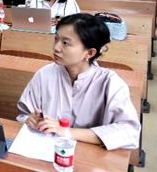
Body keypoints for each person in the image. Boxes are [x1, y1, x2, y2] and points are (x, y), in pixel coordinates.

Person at [17, 13, 140, 150]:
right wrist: (31, 119)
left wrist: (66, 132)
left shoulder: (110, 82)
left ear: (90, 53)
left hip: (91, 155)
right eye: (56, 39)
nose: (56, 47)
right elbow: (24, 114)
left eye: (66, 43)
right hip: (44, 150)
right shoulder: (45, 74)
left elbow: (129, 132)